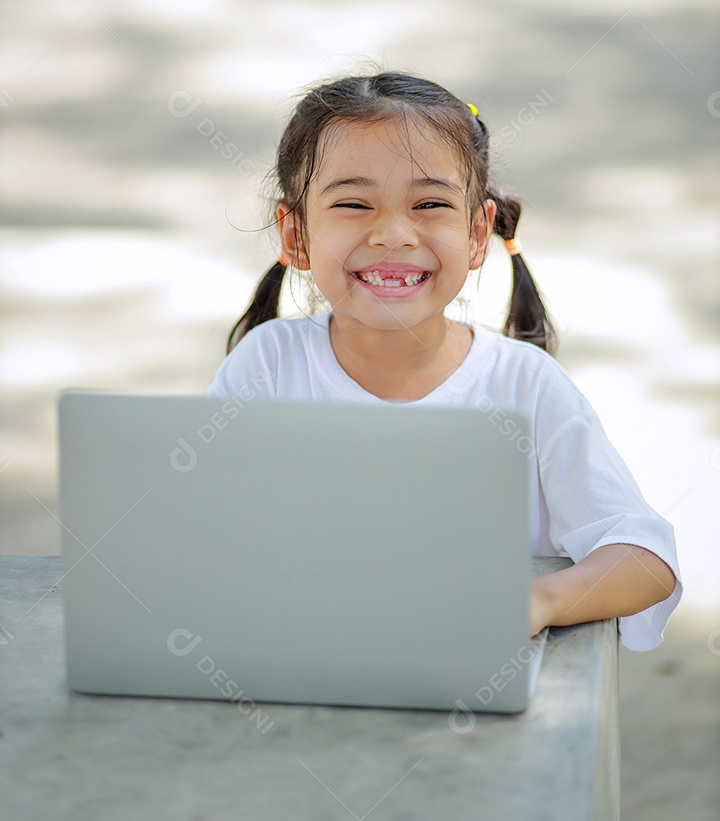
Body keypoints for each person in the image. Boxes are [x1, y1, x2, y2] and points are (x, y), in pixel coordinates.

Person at [207, 71, 681, 647]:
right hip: (307, 671)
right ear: (297, 234)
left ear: (478, 232)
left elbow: (645, 559)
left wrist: (537, 599)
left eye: (430, 203)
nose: (394, 234)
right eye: (354, 203)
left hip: (480, 691)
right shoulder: (267, 366)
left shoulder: (526, 386)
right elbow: (208, 538)